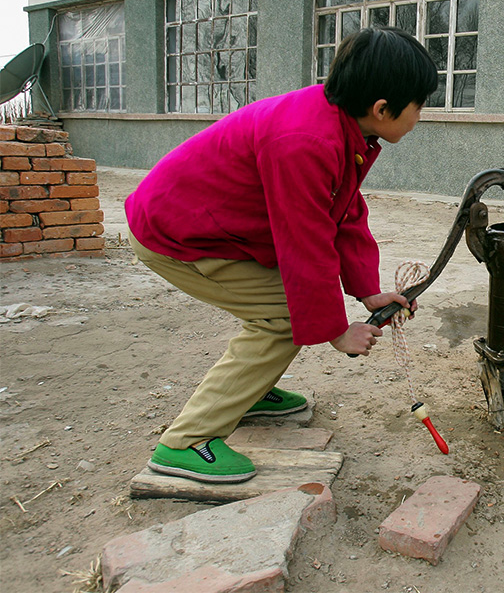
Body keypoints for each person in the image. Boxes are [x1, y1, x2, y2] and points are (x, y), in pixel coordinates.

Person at [125, 27, 437, 483]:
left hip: (209, 227)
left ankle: (248, 393)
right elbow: (304, 243)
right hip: (176, 235)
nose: (419, 117)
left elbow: (343, 211)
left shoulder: (342, 124)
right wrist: (335, 330)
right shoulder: (306, 140)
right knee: (288, 316)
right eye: (419, 106)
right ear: (382, 109)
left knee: (287, 309)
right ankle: (186, 442)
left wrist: (367, 291)